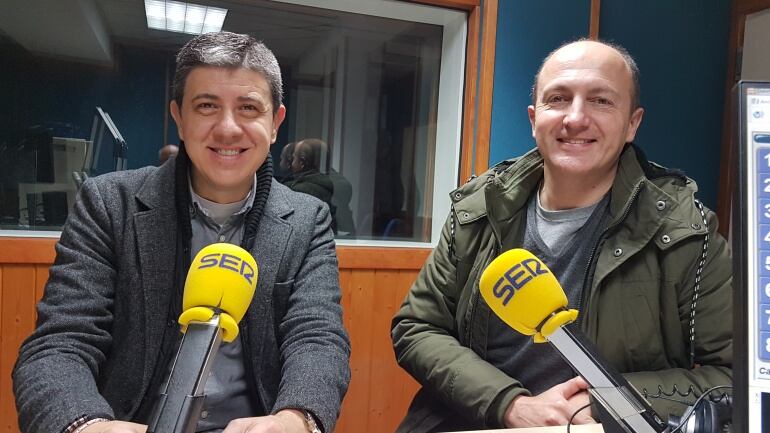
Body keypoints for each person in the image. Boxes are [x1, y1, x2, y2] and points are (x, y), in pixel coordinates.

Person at [13, 31, 350, 433]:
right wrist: (87, 425)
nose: (228, 128)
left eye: (248, 108)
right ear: (179, 116)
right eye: (207, 106)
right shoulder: (108, 203)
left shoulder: (307, 218)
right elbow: (60, 344)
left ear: (275, 123)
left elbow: (317, 339)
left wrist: (298, 419)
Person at [391, 39, 732, 432]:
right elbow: (417, 328)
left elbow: (731, 374)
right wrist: (509, 404)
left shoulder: (685, 230)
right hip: (475, 421)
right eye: (558, 98)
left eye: (601, 100)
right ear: (534, 118)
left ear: (632, 123)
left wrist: (607, 401)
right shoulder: (477, 209)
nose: (576, 118)